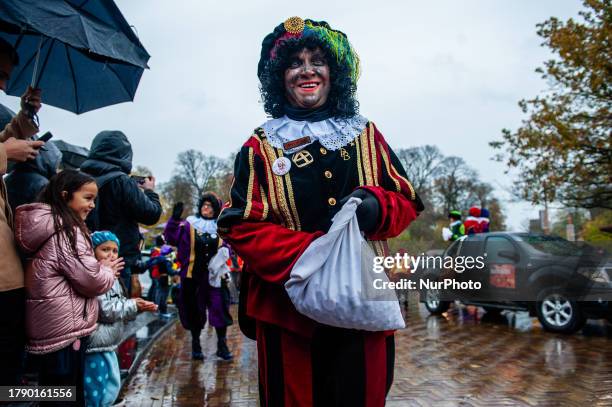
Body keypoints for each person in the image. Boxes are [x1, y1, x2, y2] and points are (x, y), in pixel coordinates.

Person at [217, 17, 424, 406]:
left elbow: (407, 200)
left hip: (362, 299)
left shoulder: (365, 134)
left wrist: (375, 207)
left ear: (335, 72)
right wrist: (313, 254)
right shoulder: (260, 145)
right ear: (281, 76)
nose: (307, 71)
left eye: (317, 61)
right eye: (295, 62)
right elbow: (240, 224)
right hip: (285, 310)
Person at [13, 170, 117, 405]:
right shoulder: (68, 232)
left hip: (49, 327)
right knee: (66, 395)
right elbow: (93, 281)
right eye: (87, 198)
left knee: (52, 391)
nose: (92, 205)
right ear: (65, 196)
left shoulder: (48, 227)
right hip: (65, 331)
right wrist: (108, 269)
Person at [0, 37, 44, 386]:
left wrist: (27, 115)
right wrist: (5, 155)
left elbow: (5, 143)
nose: (3, 84)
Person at [80, 130, 162, 296]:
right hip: (117, 258)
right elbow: (151, 214)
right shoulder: (122, 181)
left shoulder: (79, 178)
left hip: (85, 256)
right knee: (116, 308)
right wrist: (150, 192)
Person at [85, 231, 157, 407]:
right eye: (105, 249)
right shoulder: (97, 277)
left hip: (108, 343)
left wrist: (133, 305)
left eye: (115, 251)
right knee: (96, 392)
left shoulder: (113, 276)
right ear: (93, 252)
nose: (111, 255)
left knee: (110, 388)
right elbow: (106, 310)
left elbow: (117, 302)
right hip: (96, 346)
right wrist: (134, 306)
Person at [164, 193, 234, 361]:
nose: (205, 207)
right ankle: (196, 344)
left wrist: (225, 253)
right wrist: (174, 219)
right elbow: (171, 238)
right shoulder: (189, 225)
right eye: (204, 204)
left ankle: (222, 346)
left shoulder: (221, 228)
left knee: (220, 309)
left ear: (215, 209)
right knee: (195, 311)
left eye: (209, 206)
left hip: (216, 278)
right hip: (193, 278)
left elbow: (229, 246)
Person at [5, 140, 62, 215]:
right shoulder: (43, 183)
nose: (57, 169)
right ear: (50, 161)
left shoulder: (9, 177)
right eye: (57, 164)